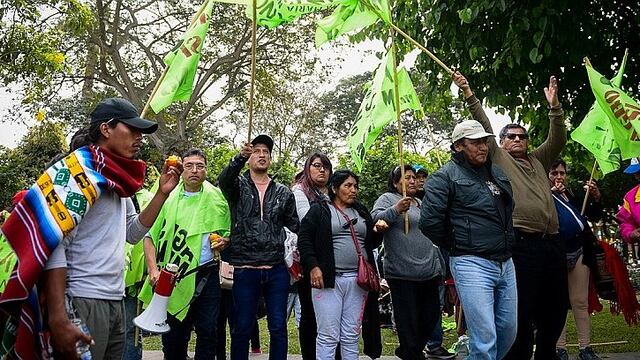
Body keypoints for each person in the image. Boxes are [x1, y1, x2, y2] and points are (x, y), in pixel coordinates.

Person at [31, 97, 181, 360]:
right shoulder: (77, 173)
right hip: (82, 298)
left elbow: (132, 234)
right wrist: (58, 316)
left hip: (115, 298)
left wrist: (161, 194)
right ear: (106, 129)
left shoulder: (118, 179)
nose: (139, 138)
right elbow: (55, 243)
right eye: (131, 130)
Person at [453, 72, 568, 360]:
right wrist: (468, 92)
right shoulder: (500, 159)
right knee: (522, 311)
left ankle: (547, 355)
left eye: (522, 136)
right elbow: (483, 123)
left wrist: (554, 108)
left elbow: (559, 138)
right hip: (521, 244)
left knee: (555, 309)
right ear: (501, 142)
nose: (517, 140)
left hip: (552, 244)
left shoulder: (539, 160)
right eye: (510, 136)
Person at [420, 120, 517, 360]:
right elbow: (429, 223)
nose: (483, 147)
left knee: (508, 331)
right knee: (484, 338)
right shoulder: (443, 178)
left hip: (506, 262)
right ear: (458, 146)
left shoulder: (496, 172)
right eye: (475, 142)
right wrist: (458, 243)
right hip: (471, 262)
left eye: (484, 141)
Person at [140, 148, 231, 360]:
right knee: (174, 338)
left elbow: (226, 236)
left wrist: (225, 242)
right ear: (182, 170)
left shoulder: (217, 198)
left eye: (200, 166)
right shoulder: (167, 197)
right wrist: (153, 269)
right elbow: (149, 237)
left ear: (206, 170)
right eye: (189, 166)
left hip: (206, 275)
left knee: (209, 333)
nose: (194, 170)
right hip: (174, 277)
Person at [217, 134, 299, 360]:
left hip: (276, 268)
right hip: (245, 267)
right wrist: (238, 159)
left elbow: (294, 226)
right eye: (256, 151)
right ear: (249, 156)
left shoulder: (283, 192)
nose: (261, 155)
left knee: (278, 327)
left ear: (271, 158)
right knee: (242, 327)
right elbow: (223, 180)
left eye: (266, 152)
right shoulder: (237, 186)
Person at [298, 170, 382, 360]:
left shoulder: (361, 211)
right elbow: (304, 240)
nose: (354, 190)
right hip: (328, 281)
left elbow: (371, 242)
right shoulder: (319, 210)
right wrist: (313, 266)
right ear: (335, 188)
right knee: (328, 335)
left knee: (351, 335)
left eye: (355, 186)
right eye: (348, 186)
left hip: (358, 281)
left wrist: (378, 231)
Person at [371, 165, 444, 360]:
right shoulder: (388, 199)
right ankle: (412, 353)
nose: (412, 181)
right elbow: (375, 220)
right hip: (402, 271)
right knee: (408, 320)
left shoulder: (421, 202)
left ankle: (409, 351)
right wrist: (396, 209)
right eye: (407, 178)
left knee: (431, 316)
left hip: (428, 270)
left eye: (414, 177)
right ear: (395, 182)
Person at [548, 159, 603, 360]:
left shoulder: (574, 195)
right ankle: (559, 348)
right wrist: (552, 194)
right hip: (556, 254)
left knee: (580, 301)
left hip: (579, 251)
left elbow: (594, 216)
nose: (559, 177)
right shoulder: (542, 195)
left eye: (562, 173)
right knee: (558, 302)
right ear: (547, 175)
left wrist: (596, 198)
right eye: (554, 173)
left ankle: (585, 348)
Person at [291, 152, 334, 360]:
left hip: (332, 261)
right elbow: (308, 222)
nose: (322, 170)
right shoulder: (300, 191)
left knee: (329, 315)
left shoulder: (331, 194)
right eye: (317, 165)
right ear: (308, 168)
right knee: (309, 313)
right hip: (308, 261)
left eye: (326, 166)